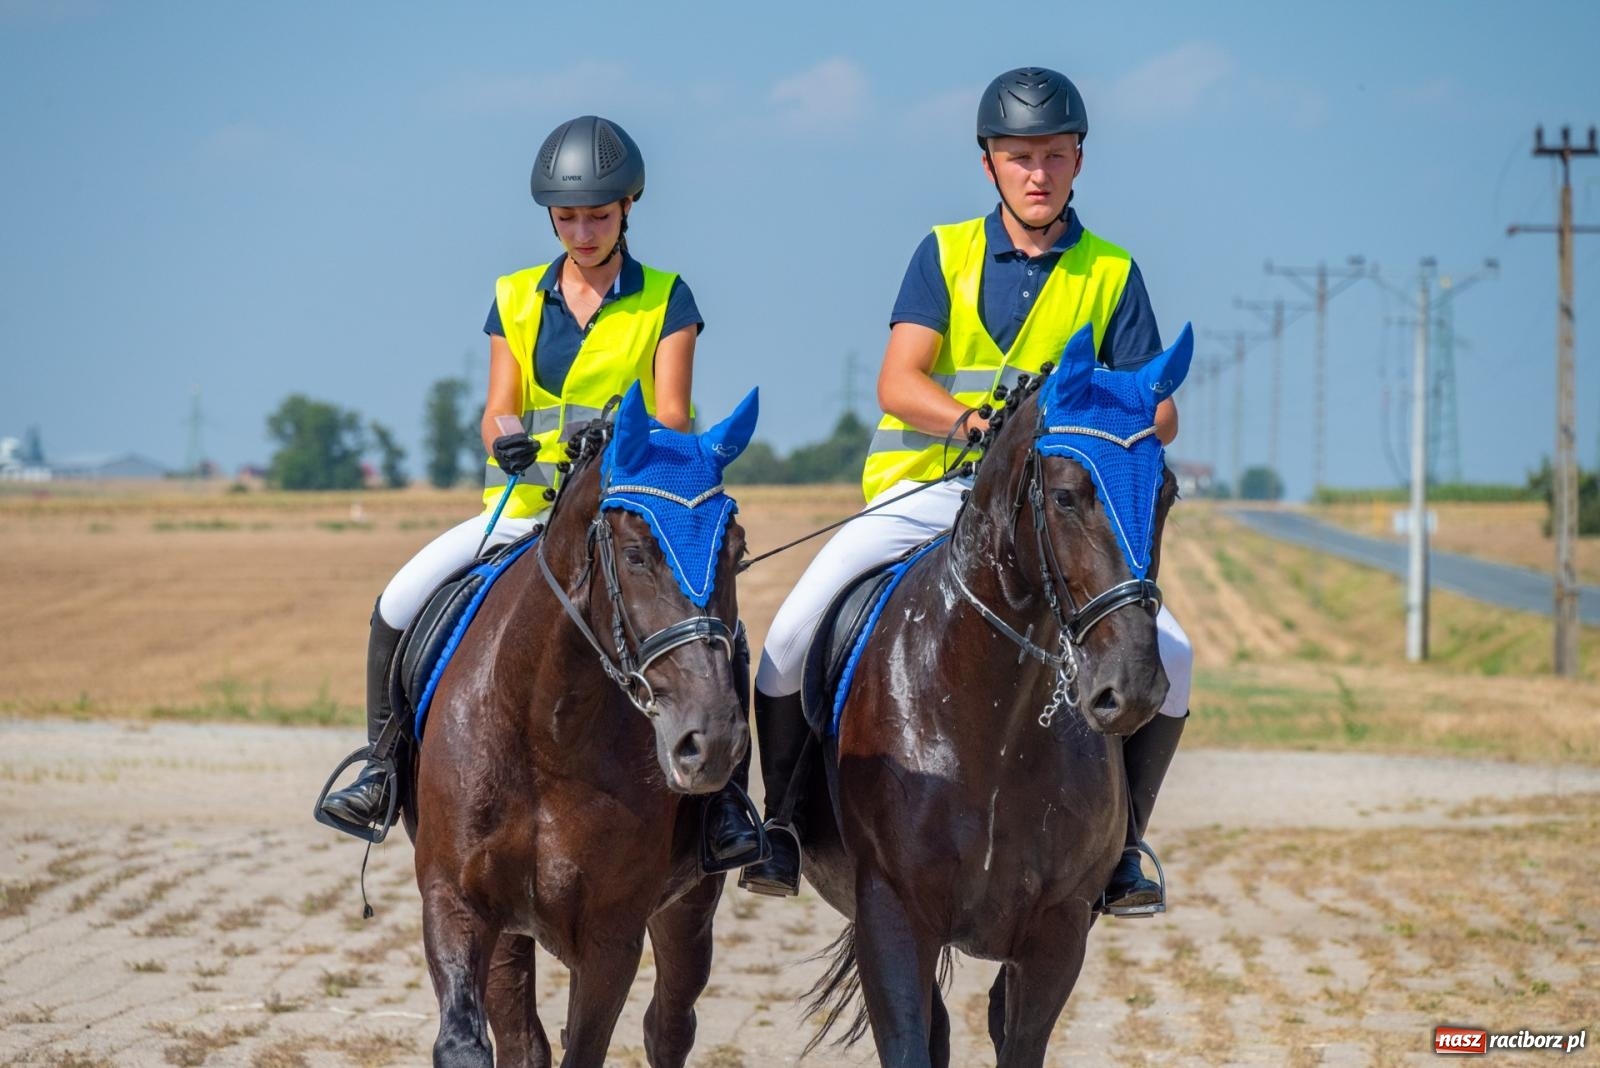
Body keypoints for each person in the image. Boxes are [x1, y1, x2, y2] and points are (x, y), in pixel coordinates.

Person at [739, 68, 1193, 913]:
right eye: (1020, 157)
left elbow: (1158, 410)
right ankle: (785, 823)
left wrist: (1100, 419)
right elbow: (898, 381)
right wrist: (974, 426)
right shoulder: (943, 252)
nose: (1037, 173)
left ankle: (1123, 848)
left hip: (1055, 515)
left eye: (1054, 156)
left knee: (1178, 657)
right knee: (792, 635)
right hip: (929, 490)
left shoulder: (1112, 271)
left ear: (1079, 162)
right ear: (989, 165)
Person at [318, 115, 762, 868]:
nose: (583, 232)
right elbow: (498, 405)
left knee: (716, 625)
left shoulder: (667, 299)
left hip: (627, 515)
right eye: (567, 218)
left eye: (598, 215)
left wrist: (617, 441)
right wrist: (506, 439)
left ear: (628, 208)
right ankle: (383, 770)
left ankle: (725, 804)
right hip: (526, 511)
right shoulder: (515, 297)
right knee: (399, 601)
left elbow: (674, 415)